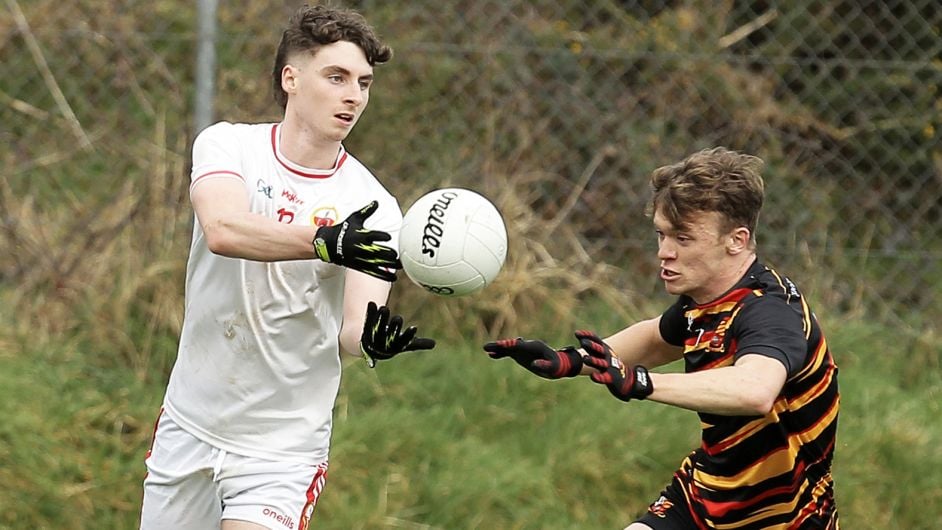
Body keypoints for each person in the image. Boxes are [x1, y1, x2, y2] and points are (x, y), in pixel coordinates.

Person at [140, 5, 434, 529]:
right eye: (337, 77)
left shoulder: (373, 206)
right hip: (192, 422)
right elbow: (224, 229)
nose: (354, 95)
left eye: (364, 83)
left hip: (282, 450)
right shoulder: (228, 145)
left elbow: (352, 327)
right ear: (290, 78)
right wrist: (323, 242)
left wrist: (370, 339)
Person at [485, 147, 840, 529]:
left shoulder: (769, 311)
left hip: (785, 517)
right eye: (661, 234)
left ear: (736, 240)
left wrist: (642, 382)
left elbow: (754, 390)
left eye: (683, 239)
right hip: (703, 498)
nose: (664, 253)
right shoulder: (705, 299)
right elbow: (657, 338)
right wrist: (571, 361)